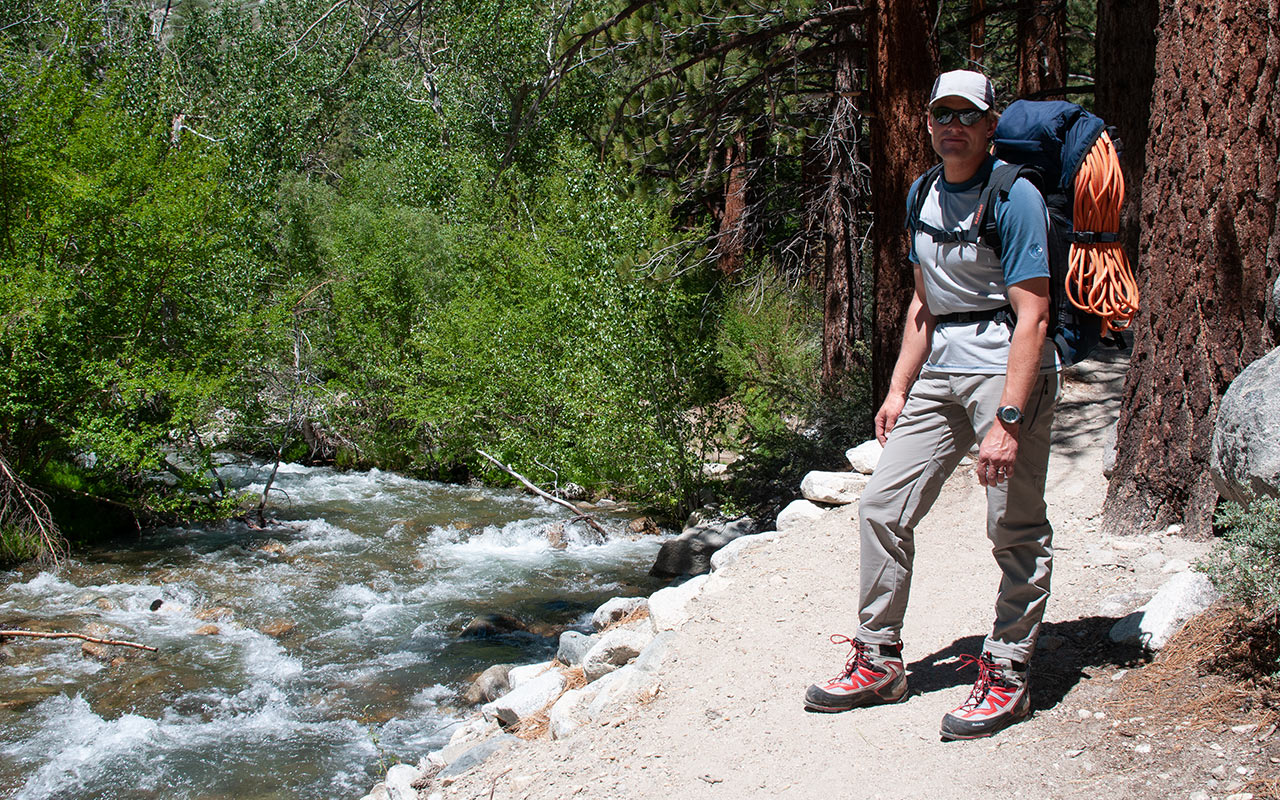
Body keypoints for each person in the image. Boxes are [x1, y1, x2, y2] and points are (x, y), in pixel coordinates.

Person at [803, 70, 1059, 741]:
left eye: (966, 115)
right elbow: (924, 303)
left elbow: (1033, 316)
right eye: (942, 113)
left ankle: (1007, 672)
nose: (954, 126)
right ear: (927, 121)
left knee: (1014, 525)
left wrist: (1008, 420)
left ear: (989, 123)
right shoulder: (923, 190)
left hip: (1005, 371)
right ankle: (880, 660)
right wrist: (896, 389)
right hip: (941, 369)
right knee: (883, 506)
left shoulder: (1016, 196)